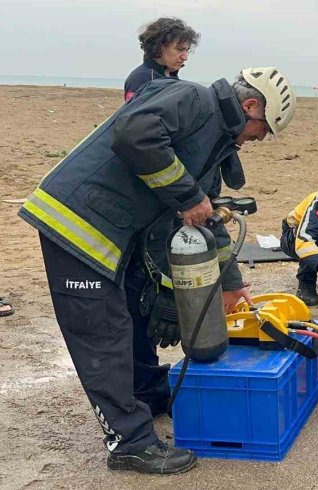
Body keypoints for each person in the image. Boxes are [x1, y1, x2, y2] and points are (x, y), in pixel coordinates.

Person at [18, 66, 297, 474]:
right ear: (250, 105)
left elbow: (207, 216)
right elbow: (133, 134)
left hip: (116, 234)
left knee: (136, 311)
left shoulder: (212, 143)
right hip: (76, 225)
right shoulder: (192, 99)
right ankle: (129, 442)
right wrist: (185, 194)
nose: (258, 139)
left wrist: (231, 284)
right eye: (263, 129)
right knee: (104, 333)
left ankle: (148, 392)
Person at [124, 18, 199, 102]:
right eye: (179, 49)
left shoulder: (170, 75)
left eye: (187, 50)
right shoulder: (141, 78)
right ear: (159, 47)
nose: (185, 57)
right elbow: (133, 114)